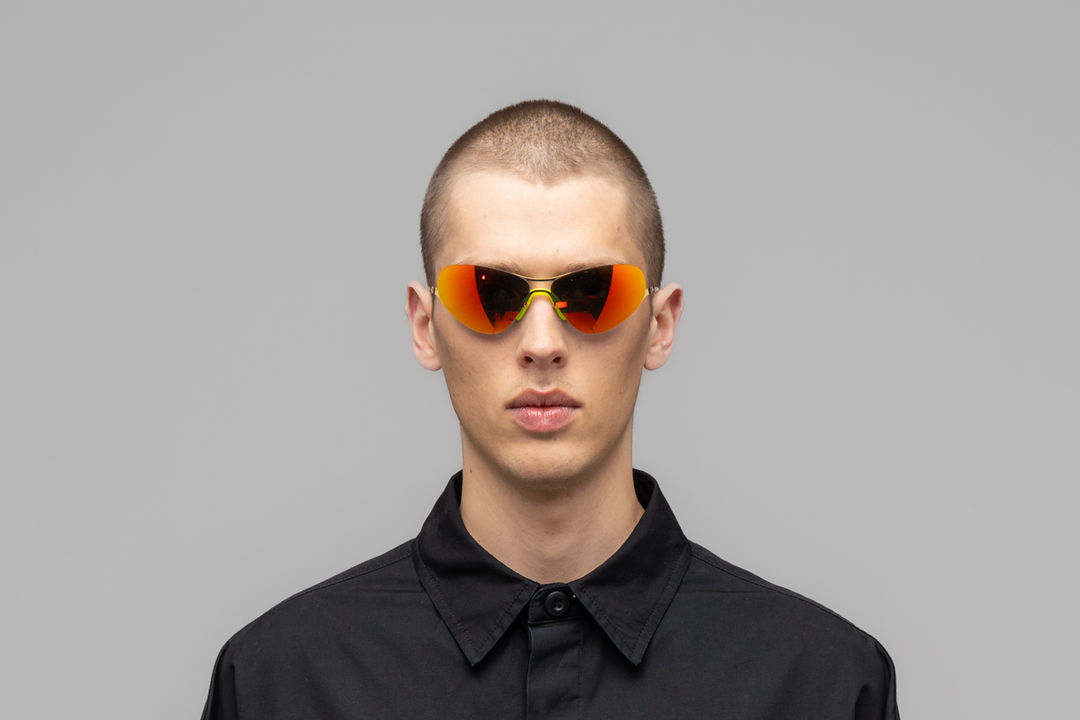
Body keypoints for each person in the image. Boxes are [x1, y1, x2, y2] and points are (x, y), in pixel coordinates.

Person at [200, 100, 900, 719]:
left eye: (592, 293)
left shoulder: (826, 686)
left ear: (660, 325)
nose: (541, 345)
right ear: (425, 325)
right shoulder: (276, 684)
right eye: (489, 293)